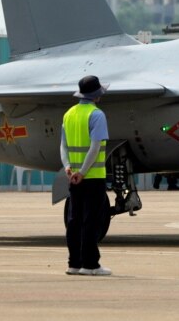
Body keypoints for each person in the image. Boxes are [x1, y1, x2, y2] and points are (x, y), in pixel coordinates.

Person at [60, 75, 112, 276]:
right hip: (93, 176)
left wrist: (68, 168)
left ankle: (74, 263)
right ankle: (90, 265)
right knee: (91, 220)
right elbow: (95, 147)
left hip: (73, 177)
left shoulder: (69, 114)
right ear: (97, 94)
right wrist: (83, 172)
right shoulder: (96, 115)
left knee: (74, 220)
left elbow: (63, 146)